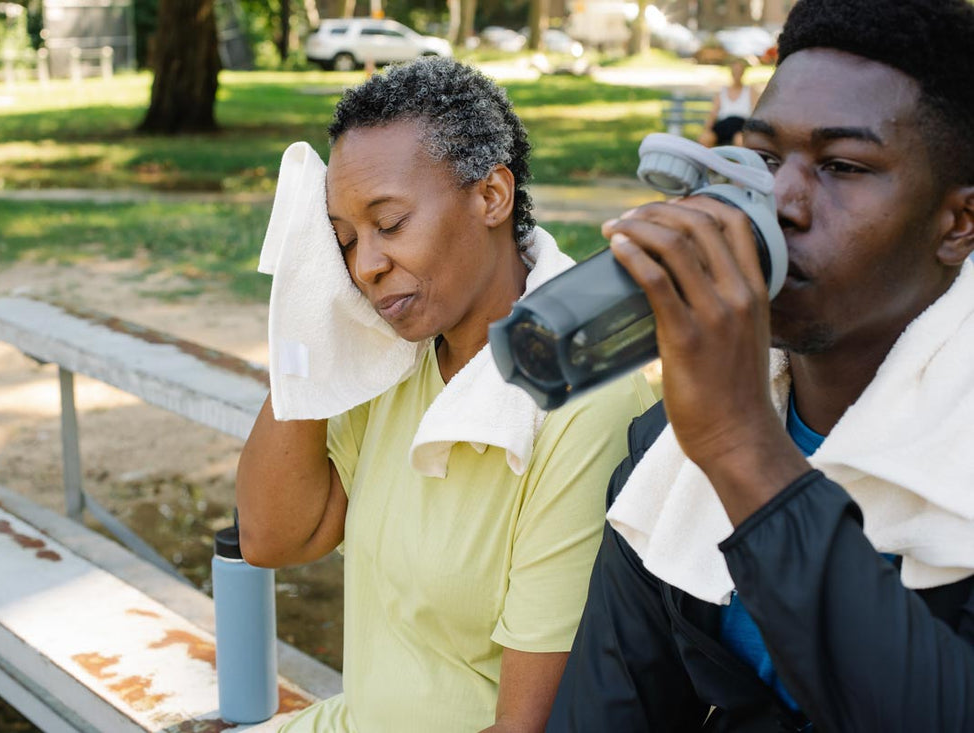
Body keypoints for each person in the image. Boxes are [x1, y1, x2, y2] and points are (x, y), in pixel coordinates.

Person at [548, 0, 974, 730]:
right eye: (764, 158)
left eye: (842, 166)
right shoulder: (670, 450)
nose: (779, 202)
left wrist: (743, 444)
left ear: (958, 223)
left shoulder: (718, 431)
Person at [236, 57, 653, 732]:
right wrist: (307, 317)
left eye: (390, 224)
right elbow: (272, 536)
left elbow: (527, 726)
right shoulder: (392, 353)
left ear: (492, 196)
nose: (365, 265)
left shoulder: (582, 401)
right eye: (343, 240)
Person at [699, 58, 759, 148]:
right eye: (735, 71)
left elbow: (756, 113)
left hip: (741, 126)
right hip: (723, 125)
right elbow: (713, 114)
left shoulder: (750, 91)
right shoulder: (722, 91)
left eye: (739, 71)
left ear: (743, 72)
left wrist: (750, 130)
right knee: (705, 139)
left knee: (740, 140)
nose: (737, 73)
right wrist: (707, 129)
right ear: (731, 72)